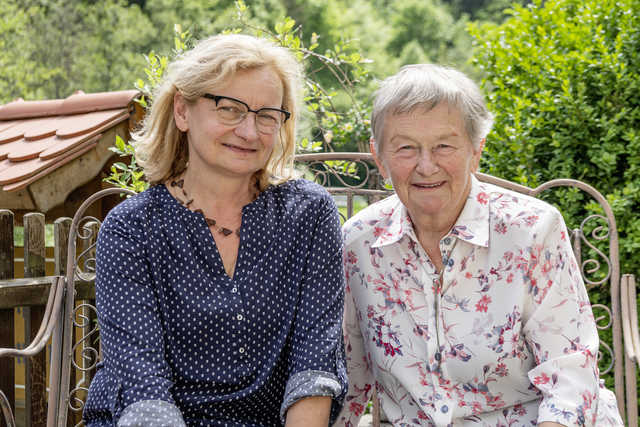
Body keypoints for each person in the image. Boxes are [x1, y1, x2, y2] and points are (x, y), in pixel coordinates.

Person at [335, 64, 623, 426]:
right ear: (380, 157)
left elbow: (569, 374)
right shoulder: (359, 242)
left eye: (444, 145)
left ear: (476, 149)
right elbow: (347, 378)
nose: (426, 166)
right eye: (406, 148)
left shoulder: (532, 229)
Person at [83, 34, 347, 426]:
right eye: (229, 109)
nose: (249, 132)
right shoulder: (132, 228)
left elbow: (314, 364)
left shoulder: (308, 214)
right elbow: (144, 386)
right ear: (182, 111)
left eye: (267, 116)